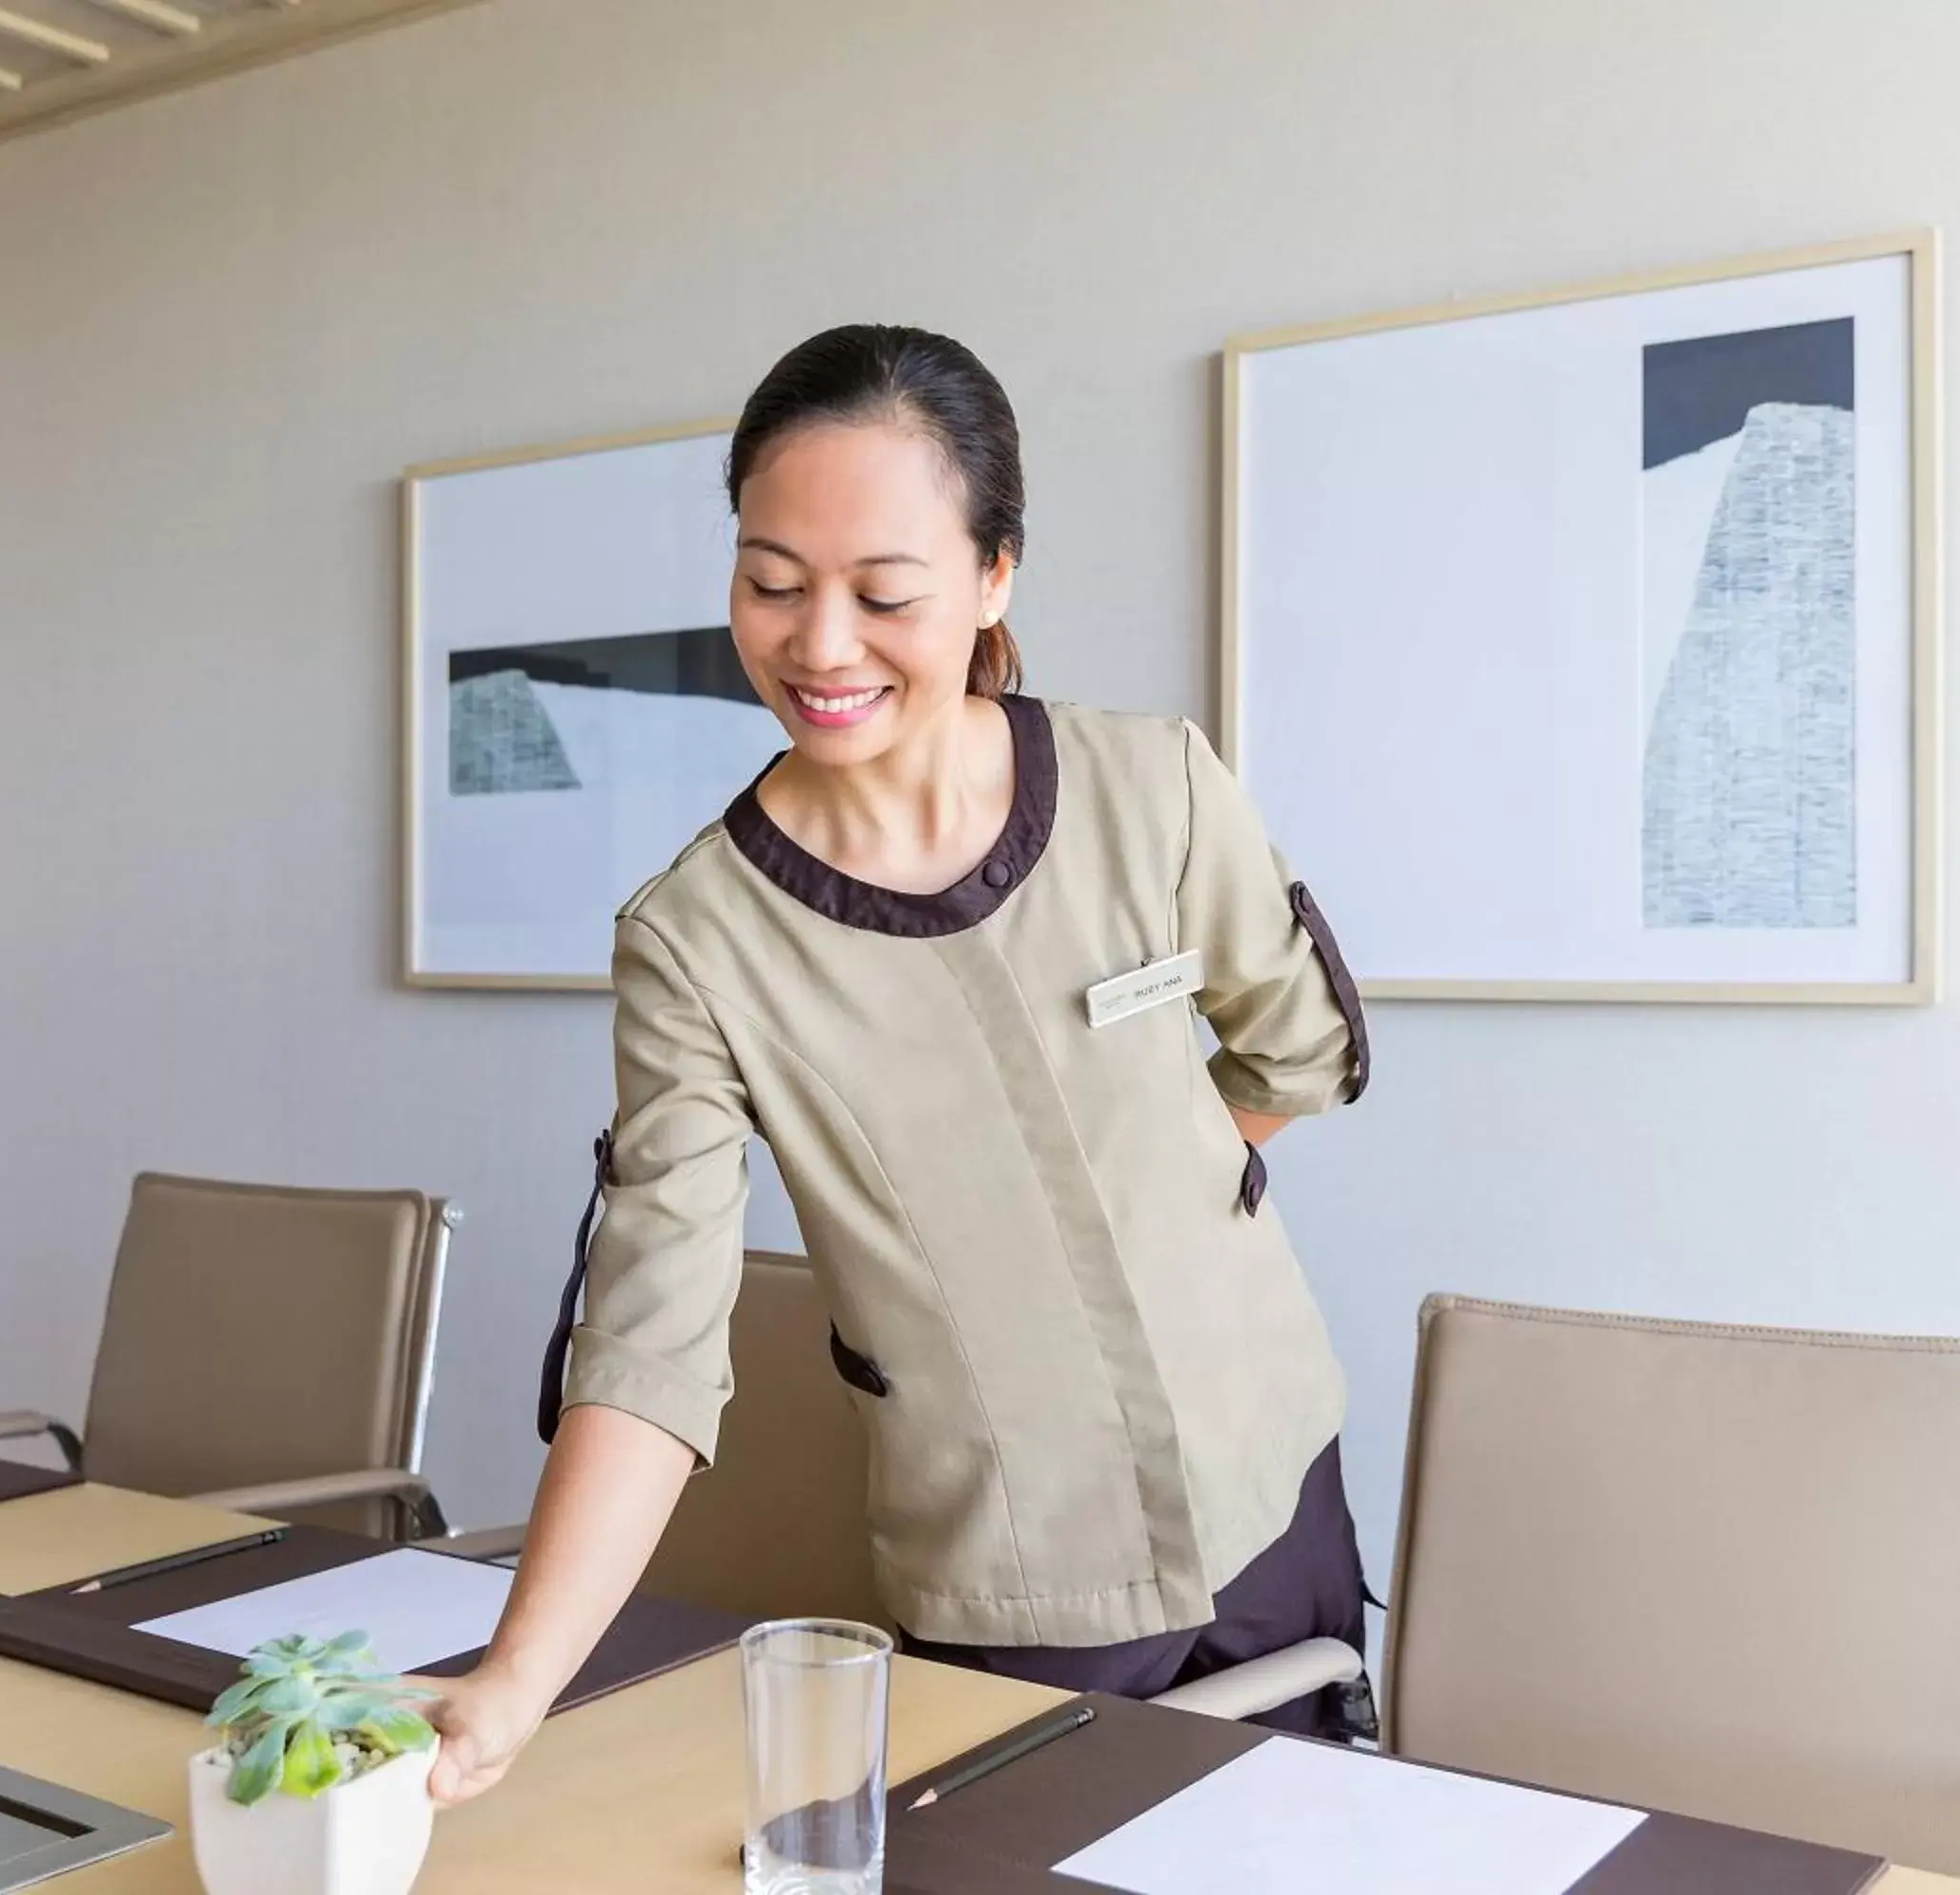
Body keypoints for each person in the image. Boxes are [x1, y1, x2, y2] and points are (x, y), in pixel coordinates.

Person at [426, 324, 1373, 1807]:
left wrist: (1172, 1193)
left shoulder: (1153, 787)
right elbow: (651, 1349)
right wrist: (511, 1686)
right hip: (1008, 1583)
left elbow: (1295, 1048)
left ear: (995, 575)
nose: (818, 646)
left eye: (883, 594)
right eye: (772, 583)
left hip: (1275, 1499)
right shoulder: (698, 943)